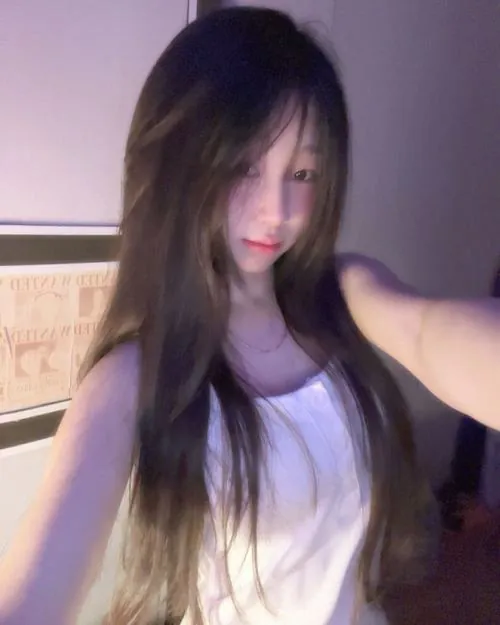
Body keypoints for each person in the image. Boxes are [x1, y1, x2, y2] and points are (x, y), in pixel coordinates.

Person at [0, 7, 498, 625]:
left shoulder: (341, 294)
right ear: (179, 165)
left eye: (303, 172)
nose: (277, 209)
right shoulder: (135, 376)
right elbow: (37, 586)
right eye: (244, 167)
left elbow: (426, 332)